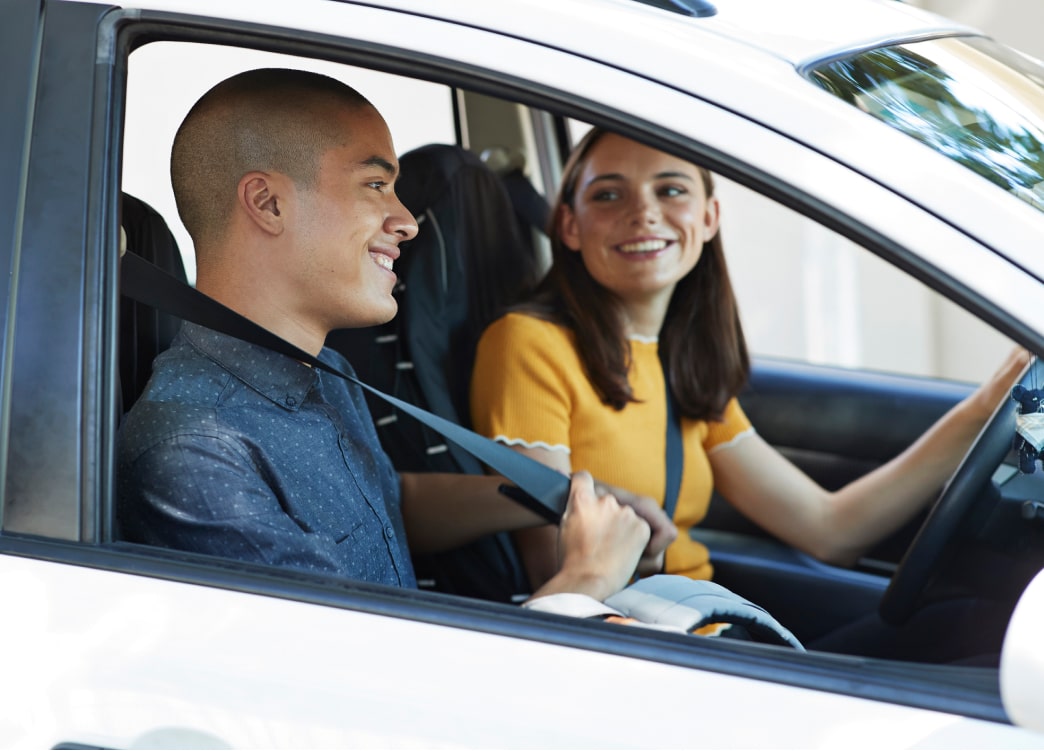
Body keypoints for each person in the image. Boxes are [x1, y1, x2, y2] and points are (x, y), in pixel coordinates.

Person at [116, 69, 675, 606]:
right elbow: (371, 681)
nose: (407, 221)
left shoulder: (326, 371)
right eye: (376, 185)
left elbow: (392, 501)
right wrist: (588, 576)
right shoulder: (195, 455)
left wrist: (567, 497)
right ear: (268, 203)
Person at [470, 126, 1028, 600]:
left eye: (671, 190)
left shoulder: (677, 361)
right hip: (648, 646)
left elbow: (829, 528)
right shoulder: (527, 343)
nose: (644, 213)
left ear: (709, 217)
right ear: (569, 226)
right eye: (608, 196)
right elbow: (558, 570)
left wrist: (987, 404)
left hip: (710, 622)